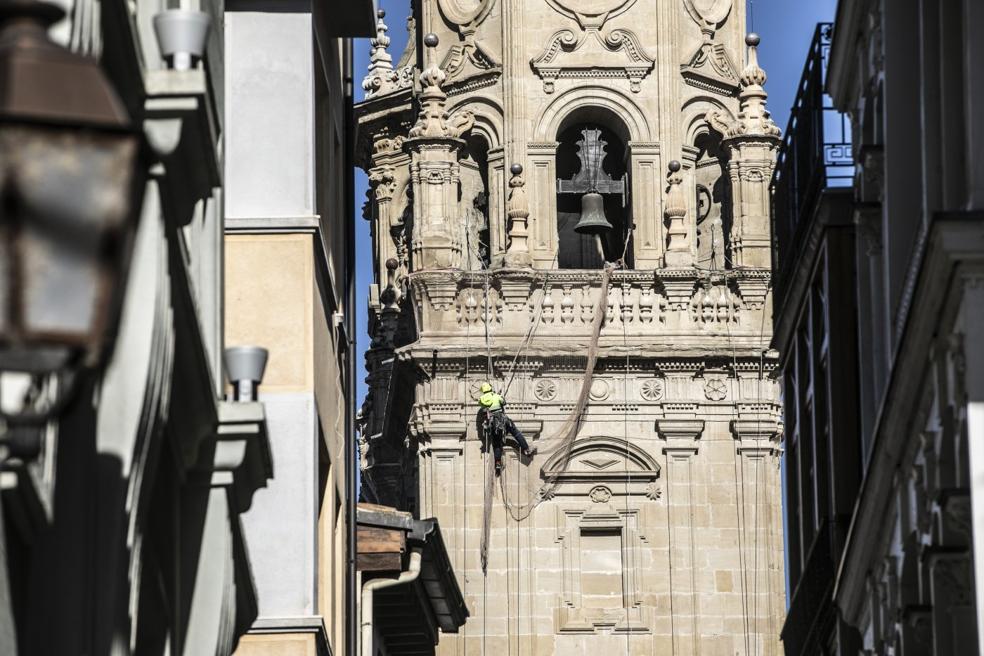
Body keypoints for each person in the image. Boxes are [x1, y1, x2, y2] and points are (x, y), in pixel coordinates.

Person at [478, 382, 534, 475]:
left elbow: (483, 407)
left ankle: (498, 464)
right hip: (502, 420)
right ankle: (526, 449)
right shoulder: (496, 396)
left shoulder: (481, 399)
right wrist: (498, 395)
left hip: (492, 424)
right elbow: (503, 402)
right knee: (515, 433)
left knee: (497, 445)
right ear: (490, 388)